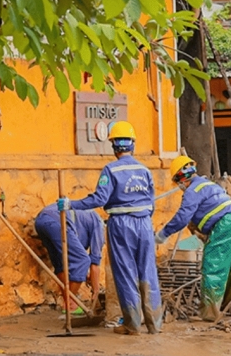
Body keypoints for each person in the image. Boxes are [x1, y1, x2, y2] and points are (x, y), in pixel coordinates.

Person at [57, 120, 161, 335]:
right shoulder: (144, 170)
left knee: (125, 272)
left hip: (121, 224)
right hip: (144, 223)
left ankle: (132, 325)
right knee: (148, 272)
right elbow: (151, 203)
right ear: (132, 144)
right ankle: (154, 325)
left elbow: (99, 199)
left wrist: (71, 204)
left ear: (114, 146)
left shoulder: (111, 170)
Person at [155, 156, 231, 321]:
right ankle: (228, 307)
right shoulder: (209, 184)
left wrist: (162, 235)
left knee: (213, 268)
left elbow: (182, 217)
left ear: (180, 178)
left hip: (225, 226)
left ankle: (210, 314)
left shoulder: (192, 191)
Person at [34, 205, 104, 311]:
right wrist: (96, 290)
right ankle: (70, 303)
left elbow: (72, 256)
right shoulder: (99, 225)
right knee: (83, 260)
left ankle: (70, 305)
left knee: (61, 264)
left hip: (41, 221)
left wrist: (84, 274)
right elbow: (94, 263)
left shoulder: (86, 219)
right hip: (57, 220)